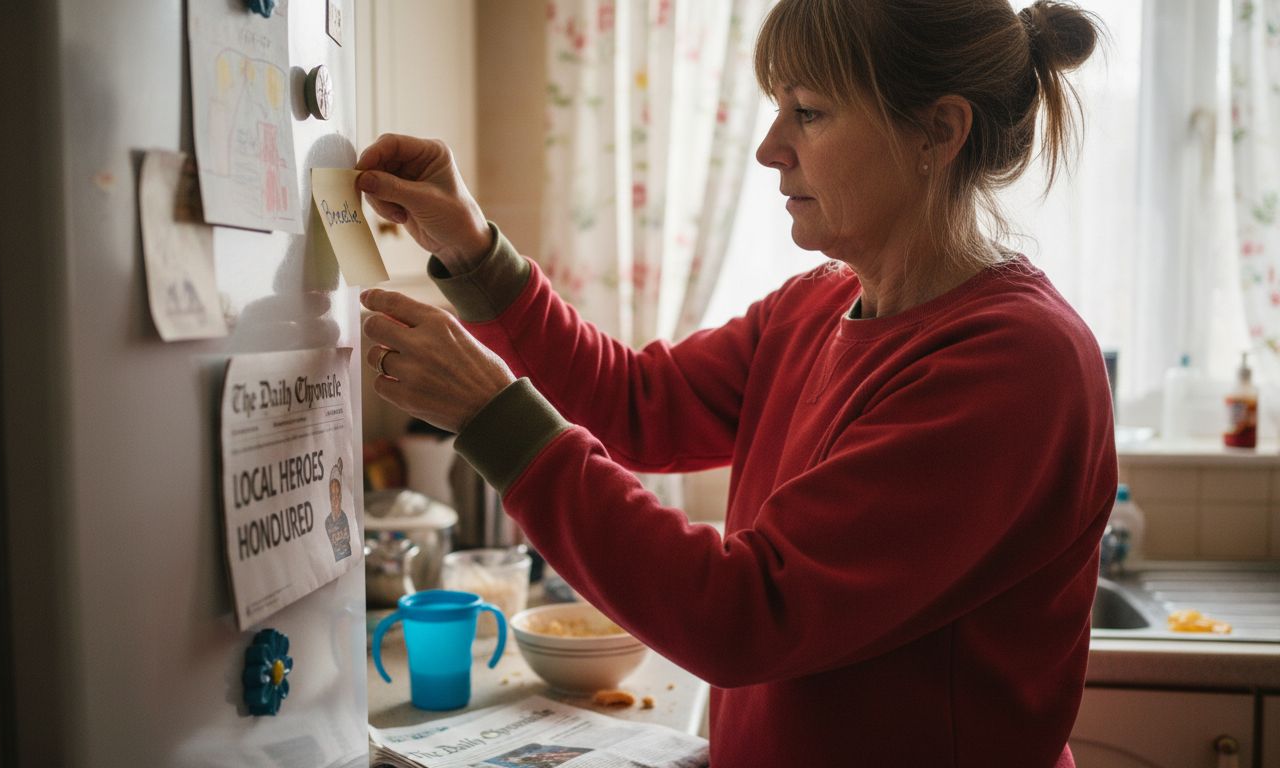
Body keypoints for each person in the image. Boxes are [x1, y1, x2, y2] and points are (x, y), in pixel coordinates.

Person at [355, 1, 1116, 765]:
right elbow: (636, 404)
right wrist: (471, 245)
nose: (768, 148)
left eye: (807, 112)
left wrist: (493, 416)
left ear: (938, 131)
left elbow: (749, 614)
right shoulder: (814, 306)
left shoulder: (1014, 362)